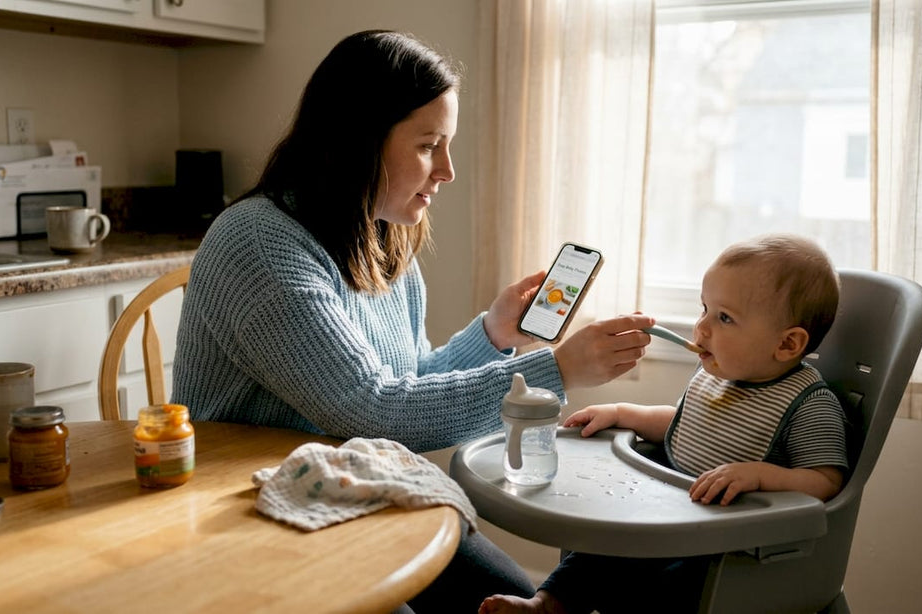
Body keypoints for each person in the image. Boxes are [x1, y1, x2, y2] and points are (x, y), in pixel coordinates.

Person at [169, 30, 655, 612]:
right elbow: (372, 408)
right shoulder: (260, 244)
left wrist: (494, 335)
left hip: (353, 489)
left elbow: (407, 378)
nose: (446, 170)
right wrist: (555, 369)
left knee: (522, 602)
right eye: (428, 145)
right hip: (256, 508)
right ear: (357, 142)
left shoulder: (381, 234)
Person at [480, 234, 850, 614]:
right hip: (672, 517)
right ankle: (547, 604)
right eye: (704, 309)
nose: (701, 327)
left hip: (726, 545)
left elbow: (826, 482)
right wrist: (624, 413)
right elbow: (684, 423)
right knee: (608, 542)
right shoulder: (719, 376)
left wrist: (758, 475)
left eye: (724, 318)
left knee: (670, 581)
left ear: (788, 345)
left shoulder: (807, 405)